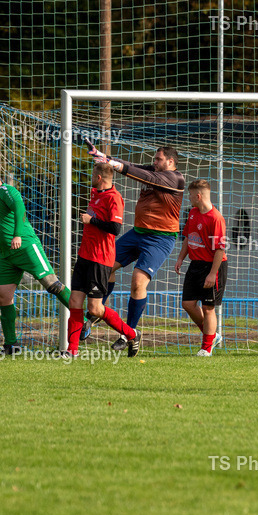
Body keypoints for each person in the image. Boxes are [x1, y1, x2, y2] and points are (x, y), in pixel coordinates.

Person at [88, 144, 187, 356]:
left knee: (137, 282)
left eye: (158, 159)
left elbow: (138, 174)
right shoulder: (155, 171)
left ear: (170, 162)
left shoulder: (175, 178)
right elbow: (132, 165)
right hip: (138, 233)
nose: (154, 162)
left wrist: (111, 164)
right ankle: (94, 314)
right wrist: (104, 157)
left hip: (160, 238)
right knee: (106, 266)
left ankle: (129, 332)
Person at [0, 165, 75, 355]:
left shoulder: (7, 191)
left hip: (26, 246)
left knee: (51, 284)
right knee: (3, 295)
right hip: (6, 255)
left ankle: (84, 318)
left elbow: (19, 206)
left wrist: (17, 235)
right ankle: (11, 345)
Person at [65, 163, 135, 357]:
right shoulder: (96, 192)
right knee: (74, 301)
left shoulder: (114, 198)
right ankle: (72, 351)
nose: (91, 179)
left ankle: (131, 334)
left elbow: (115, 229)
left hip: (100, 259)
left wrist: (91, 221)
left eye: (93, 175)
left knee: (95, 308)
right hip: (84, 256)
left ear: (99, 178)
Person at [174, 179, 228, 356]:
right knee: (188, 304)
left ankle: (206, 348)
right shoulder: (192, 213)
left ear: (198, 196)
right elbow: (189, 237)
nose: (188, 198)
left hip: (213, 266)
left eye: (190, 195)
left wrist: (213, 274)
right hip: (195, 265)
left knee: (208, 308)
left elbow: (220, 249)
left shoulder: (216, 218)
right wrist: (181, 258)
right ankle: (212, 335)